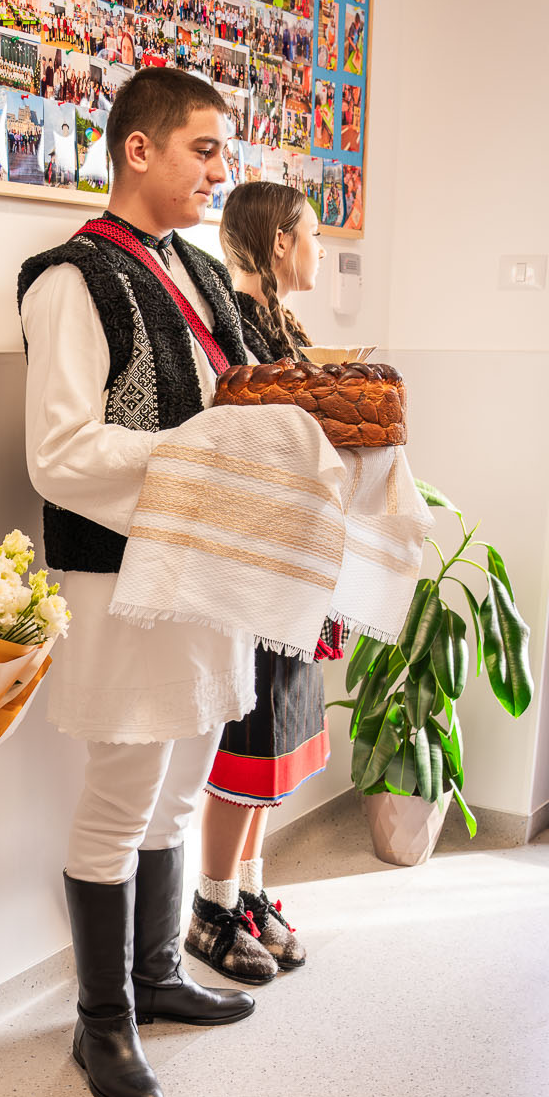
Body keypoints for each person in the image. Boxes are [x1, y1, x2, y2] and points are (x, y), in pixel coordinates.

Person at [18, 66, 259, 1097]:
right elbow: (61, 454)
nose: (218, 173)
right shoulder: (73, 279)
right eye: (203, 150)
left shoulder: (200, 272)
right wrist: (204, 459)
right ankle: (101, 1017)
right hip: (122, 575)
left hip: (209, 567)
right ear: (138, 149)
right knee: (119, 801)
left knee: (183, 782)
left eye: (222, 154)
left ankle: (156, 972)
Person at [185, 182, 333, 984]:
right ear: (279, 241)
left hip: (294, 564)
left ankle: (247, 891)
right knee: (246, 742)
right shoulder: (233, 327)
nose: (318, 249)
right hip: (255, 570)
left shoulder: (283, 327)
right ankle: (208, 909)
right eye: (311, 234)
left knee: (276, 743)